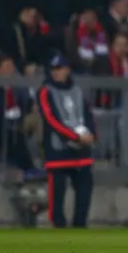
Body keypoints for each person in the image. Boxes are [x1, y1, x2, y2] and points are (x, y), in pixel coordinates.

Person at [37, 54, 96, 228]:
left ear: (67, 70)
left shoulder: (78, 91)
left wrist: (91, 135)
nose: (57, 73)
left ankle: (80, 225)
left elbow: (88, 115)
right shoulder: (45, 91)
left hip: (81, 150)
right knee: (57, 193)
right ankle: (59, 227)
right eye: (53, 70)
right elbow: (51, 119)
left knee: (85, 189)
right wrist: (74, 137)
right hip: (58, 150)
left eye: (60, 69)